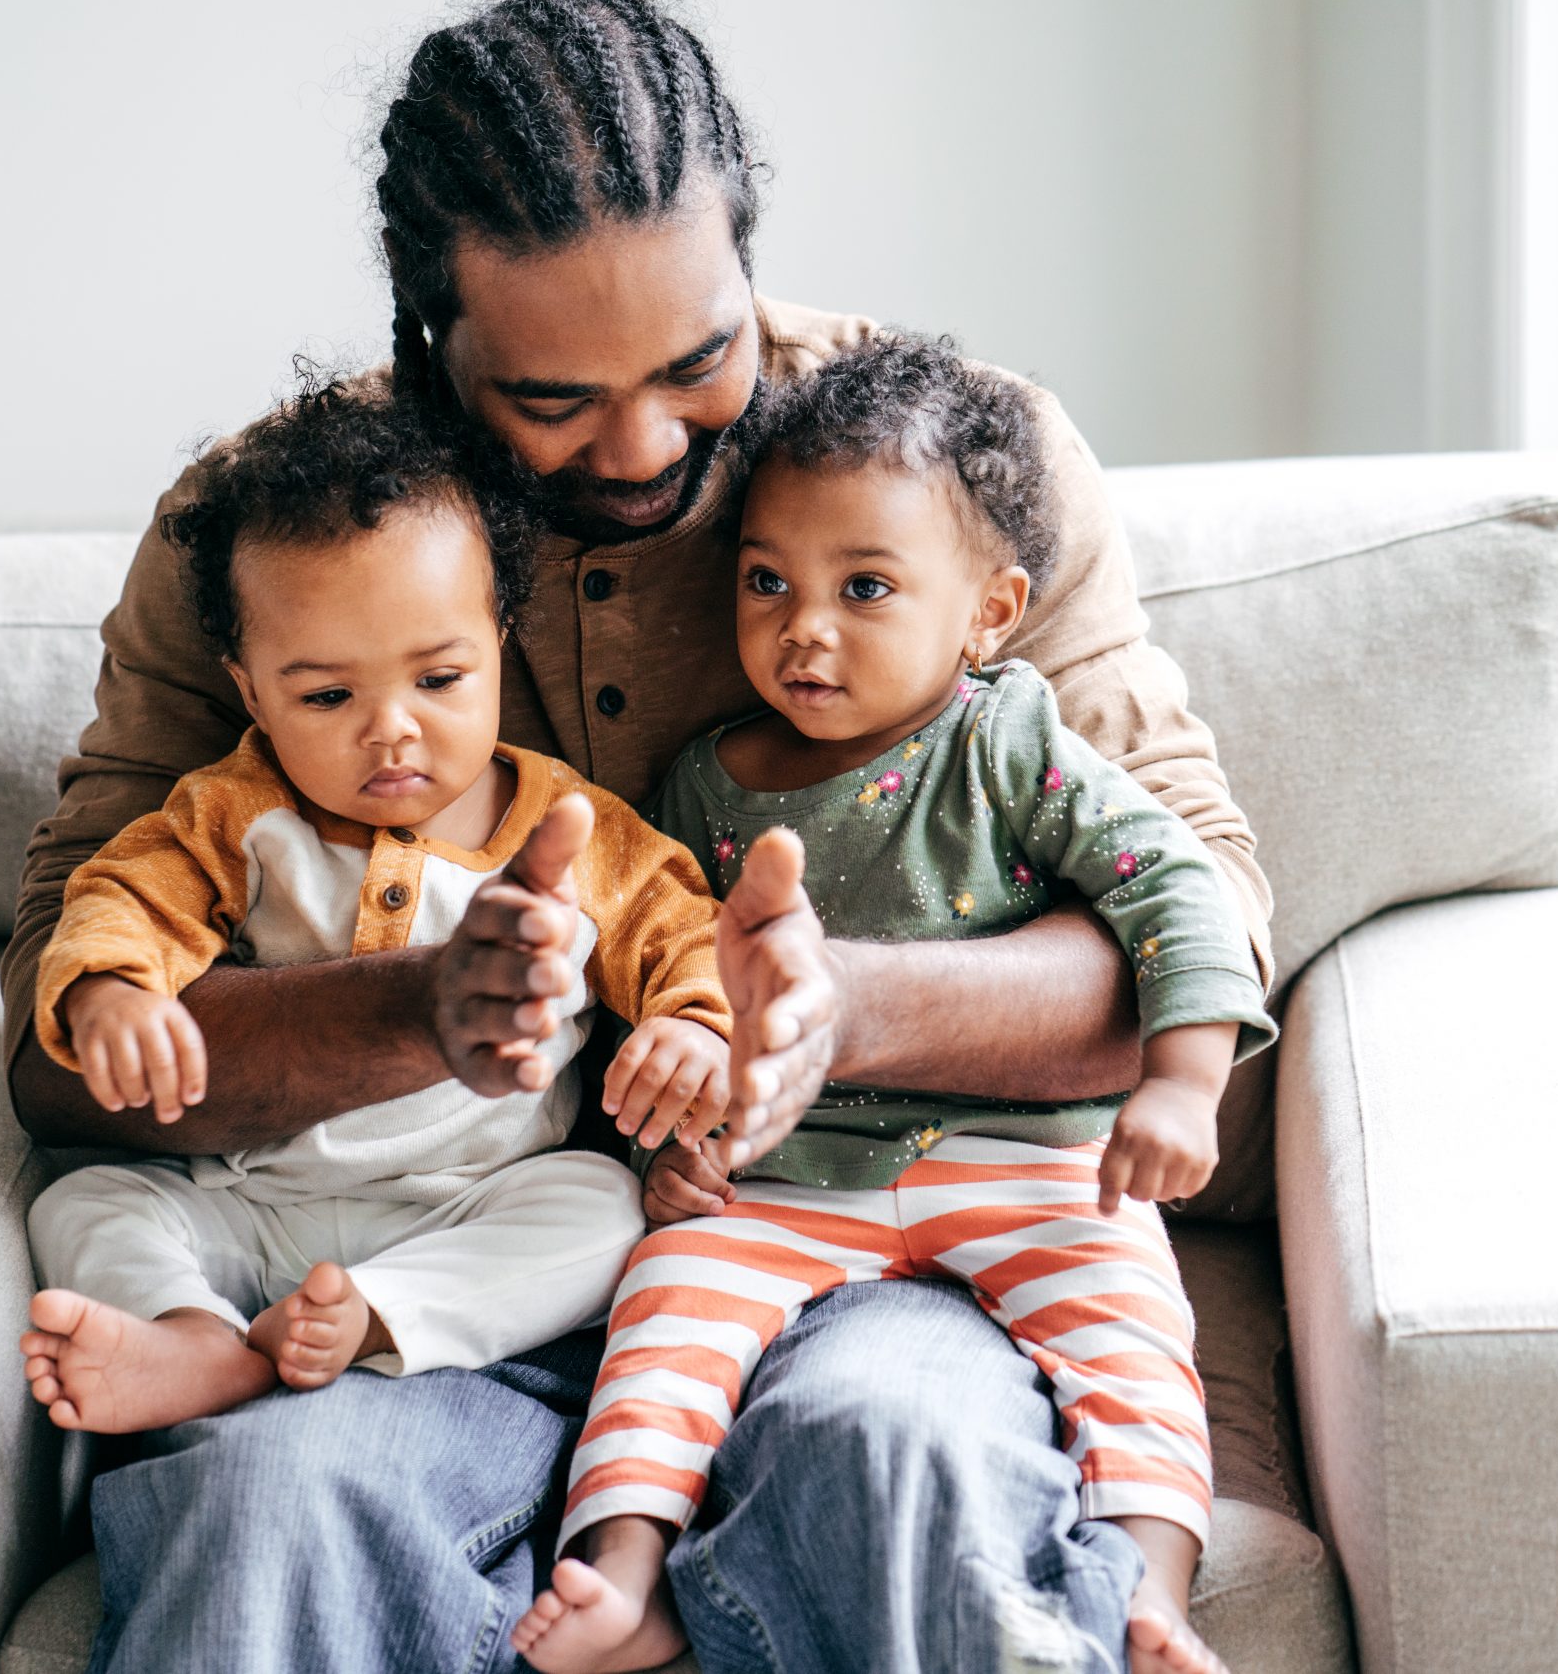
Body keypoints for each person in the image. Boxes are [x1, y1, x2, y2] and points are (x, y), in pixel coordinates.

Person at [3, 0, 1275, 1674]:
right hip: (407, 1270)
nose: (648, 441)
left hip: (847, 1237)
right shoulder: (277, 539)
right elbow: (50, 1041)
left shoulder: (944, 476)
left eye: (701, 362)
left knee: (900, 1458)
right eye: (552, 400)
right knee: (267, 1510)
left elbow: (1205, 912)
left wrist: (828, 1007)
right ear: (428, 342)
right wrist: (412, 1008)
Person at [511, 336, 1275, 1674]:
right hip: (791, 1176)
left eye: (866, 588)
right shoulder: (706, 783)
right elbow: (670, 980)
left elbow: (1178, 889)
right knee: (667, 1312)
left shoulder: (1010, 739)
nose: (803, 631)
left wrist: (1181, 1080)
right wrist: (670, 1137)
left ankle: (1145, 1598)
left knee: (1128, 1332)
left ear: (986, 611)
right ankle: (625, 1576)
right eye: (767, 582)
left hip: (1022, 1159)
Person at [16, 376, 740, 1430]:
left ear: (500, 639)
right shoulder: (231, 813)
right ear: (251, 687)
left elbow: (684, 929)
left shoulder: (569, 824)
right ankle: (195, 1339)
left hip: (476, 1201)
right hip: (255, 1201)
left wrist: (691, 1025)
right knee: (82, 1201)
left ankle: (381, 1317)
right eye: (325, 696)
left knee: (600, 1206)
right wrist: (113, 988)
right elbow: (122, 894)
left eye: (439, 679)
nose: (390, 729)